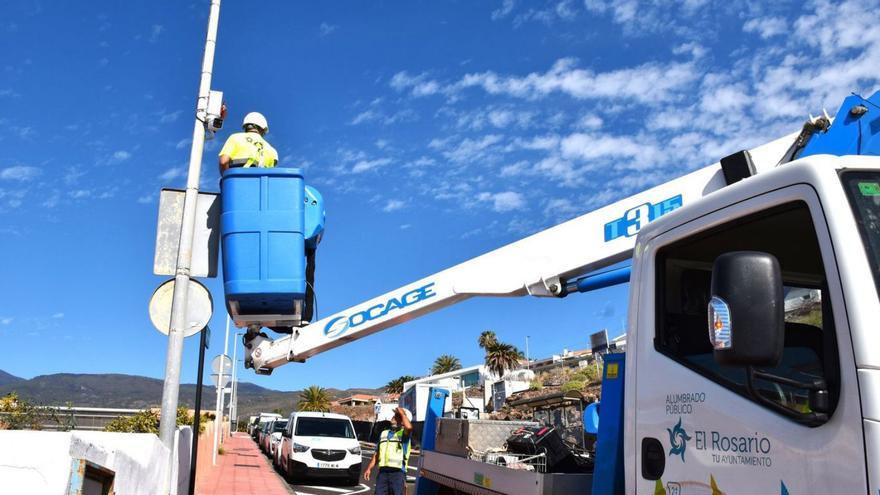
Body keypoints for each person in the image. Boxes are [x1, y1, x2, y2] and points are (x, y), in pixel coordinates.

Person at [364, 407, 413, 495]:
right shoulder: (384, 433)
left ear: (402, 421)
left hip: (397, 474)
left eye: (397, 416)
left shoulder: (403, 434)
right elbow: (377, 453)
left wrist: (402, 414)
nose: (393, 417)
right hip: (383, 473)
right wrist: (369, 468)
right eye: (394, 415)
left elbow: (409, 428)